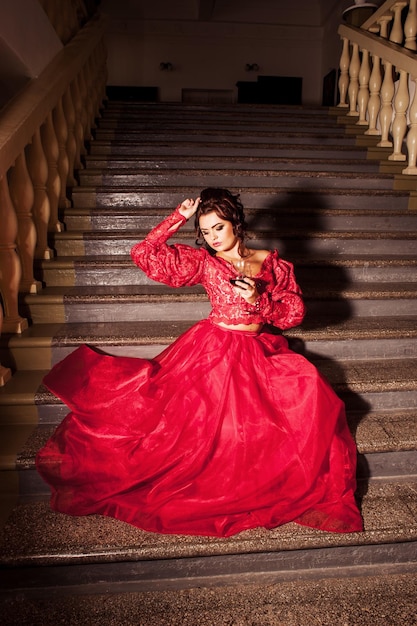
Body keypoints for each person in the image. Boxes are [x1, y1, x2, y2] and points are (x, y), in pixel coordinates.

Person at [36, 188, 363, 537]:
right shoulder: (205, 262)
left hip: (256, 348)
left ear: (236, 224)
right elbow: (144, 253)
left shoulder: (271, 263)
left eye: (218, 228)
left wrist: (259, 297)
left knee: (308, 388)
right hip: (214, 347)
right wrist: (177, 217)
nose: (212, 238)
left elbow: (293, 313)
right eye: (206, 231)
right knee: (200, 426)